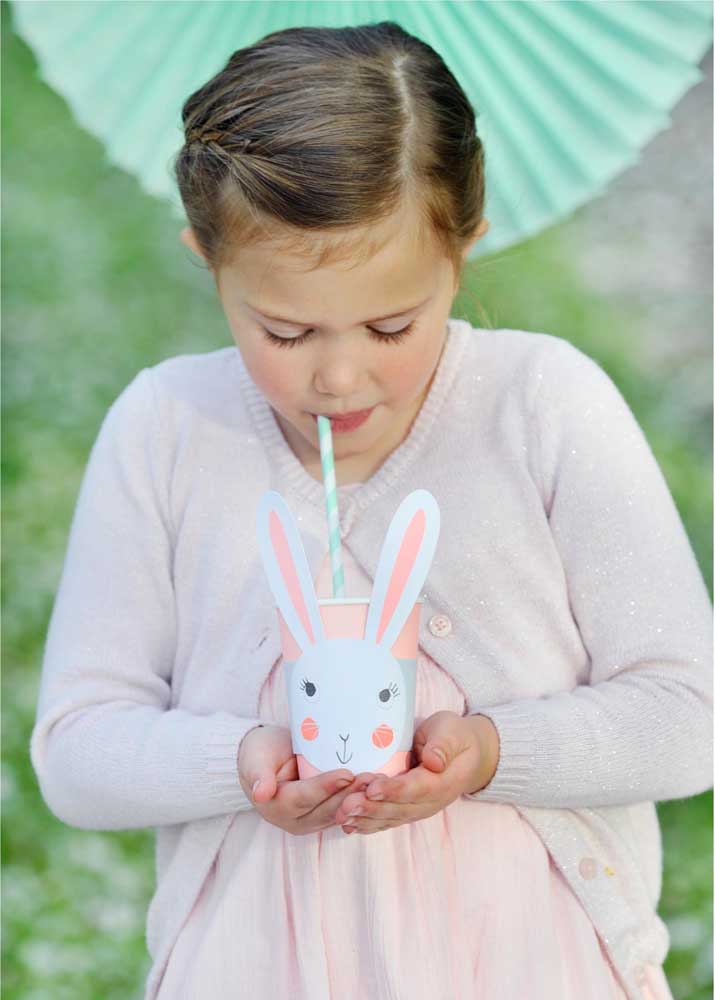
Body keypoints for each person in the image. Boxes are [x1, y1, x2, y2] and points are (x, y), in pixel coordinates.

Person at [30, 21, 712, 1000]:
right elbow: (79, 749)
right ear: (207, 261)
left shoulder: (543, 405)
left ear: (462, 250)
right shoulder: (167, 430)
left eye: (392, 323)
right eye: (285, 328)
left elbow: (689, 713)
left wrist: (486, 750)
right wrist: (247, 759)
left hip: (532, 967)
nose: (339, 373)